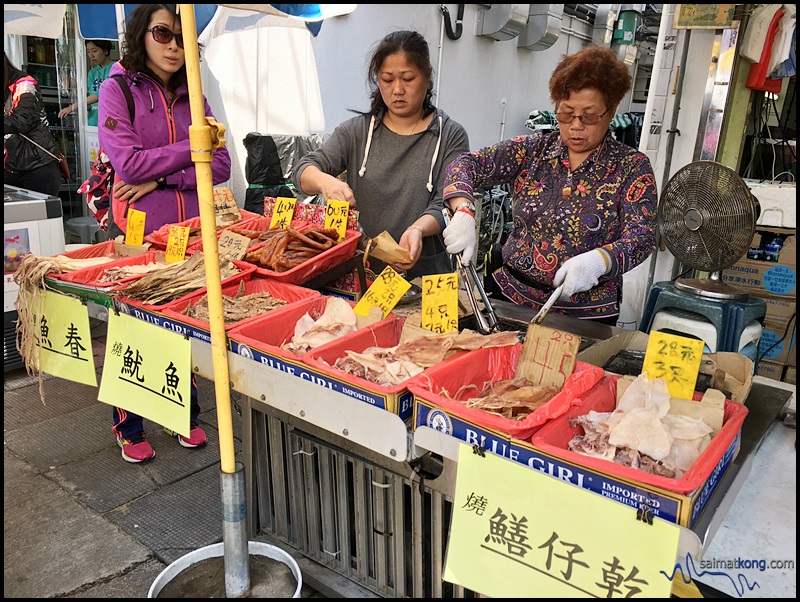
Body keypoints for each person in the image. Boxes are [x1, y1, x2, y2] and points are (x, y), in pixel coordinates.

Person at [98, 4, 231, 462]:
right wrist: (191, 150)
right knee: (134, 326)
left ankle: (185, 415)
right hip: (139, 230)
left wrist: (163, 177)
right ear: (141, 35)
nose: (174, 45)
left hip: (188, 230)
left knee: (182, 323)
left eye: (181, 36)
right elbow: (127, 163)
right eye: (162, 33)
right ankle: (128, 425)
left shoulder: (195, 94)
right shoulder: (118, 89)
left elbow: (222, 165)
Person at [442, 46, 657, 324]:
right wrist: (464, 210)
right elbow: (465, 165)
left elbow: (642, 236)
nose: (576, 126)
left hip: (586, 316)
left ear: (612, 110)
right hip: (509, 300)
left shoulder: (631, 167)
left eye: (589, 116)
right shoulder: (531, 151)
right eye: (566, 114)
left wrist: (600, 261)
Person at [293, 30, 470, 279]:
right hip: (360, 275)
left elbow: (446, 202)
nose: (397, 89)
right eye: (387, 80)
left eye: (408, 78)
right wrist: (325, 182)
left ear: (428, 75)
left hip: (425, 278)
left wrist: (418, 229)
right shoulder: (356, 132)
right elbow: (303, 169)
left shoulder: (450, 135)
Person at [4, 52, 62, 197]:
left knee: (41, 218)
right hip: (10, 166)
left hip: (38, 165)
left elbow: (20, 122)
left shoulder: (24, 83)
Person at [58, 40, 116, 126]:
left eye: (94, 51)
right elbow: (91, 98)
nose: (91, 55)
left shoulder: (116, 69)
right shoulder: (92, 73)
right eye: (88, 51)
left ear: (106, 51)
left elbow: (101, 94)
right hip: (93, 122)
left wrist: (73, 107)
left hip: (111, 121)